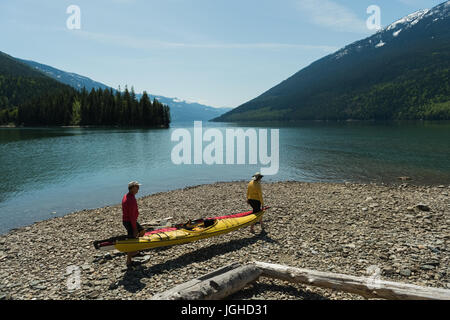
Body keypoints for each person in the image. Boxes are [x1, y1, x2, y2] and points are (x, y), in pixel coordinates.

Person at [122, 181, 145, 267]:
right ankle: (129, 261)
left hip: (129, 221)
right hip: (130, 221)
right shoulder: (130, 200)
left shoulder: (128, 195)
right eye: (137, 187)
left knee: (142, 231)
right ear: (132, 188)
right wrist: (134, 228)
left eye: (138, 187)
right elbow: (131, 216)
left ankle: (136, 251)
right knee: (132, 241)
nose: (138, 189)